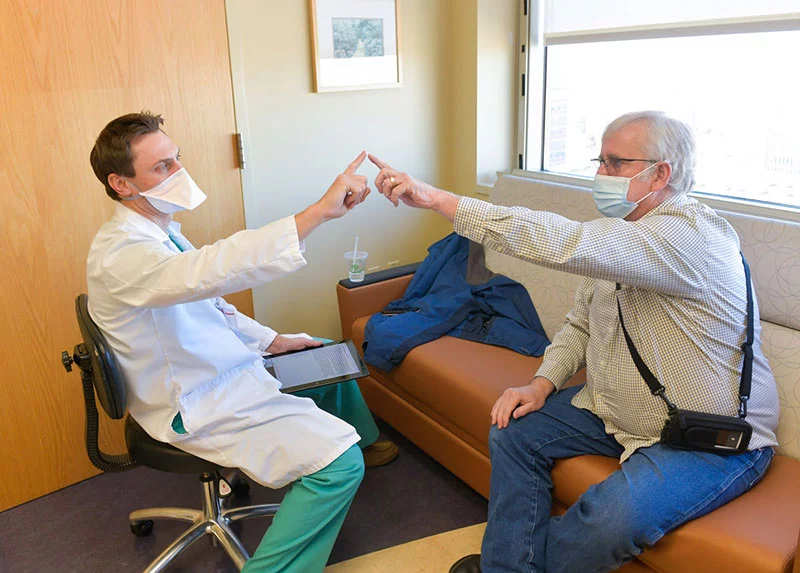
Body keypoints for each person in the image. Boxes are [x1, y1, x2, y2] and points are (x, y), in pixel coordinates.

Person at [368, 111, 780, 573]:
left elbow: (564, 241)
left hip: (707, 436)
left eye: (615, 163)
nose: (600, 175)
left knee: (612, 517)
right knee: (515, 429)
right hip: (616, 409)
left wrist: (439, 200)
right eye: (599, 161)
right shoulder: (628, 236)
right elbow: (582, 321)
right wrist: (541, 383)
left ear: (661, 173)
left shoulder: (692, 236)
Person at [86, 111, 395, 573]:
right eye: (162, 167)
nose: (179, 173)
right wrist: (315, 214)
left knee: (322, 354)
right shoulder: (121, 255)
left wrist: (275, 340)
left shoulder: (163, 232)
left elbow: (214, 306)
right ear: (122, 183)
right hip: (194, 401)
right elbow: (207, 271)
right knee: (338, 467)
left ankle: (360, 446)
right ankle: (330, 480)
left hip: (223, 369)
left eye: (177, 159)